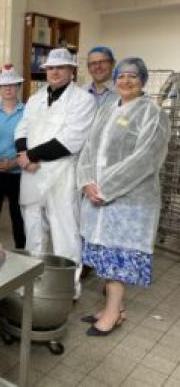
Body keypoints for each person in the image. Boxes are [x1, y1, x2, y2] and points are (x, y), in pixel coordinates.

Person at [77, 57, 170, 336]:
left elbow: (145, 160)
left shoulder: (152, 113)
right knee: (105, 256)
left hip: (129, 201)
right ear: (114, 80)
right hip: (99, 199)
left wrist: (105, 188)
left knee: (118, 258)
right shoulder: (106, 109)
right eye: (121, 76)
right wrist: (86, 182)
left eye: (133, 76)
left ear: (142, 81)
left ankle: (112, 314)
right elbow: (89, 148)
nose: (126, 81)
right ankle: (113, 307)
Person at [15, 48, 96, 299]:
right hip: (32, 171)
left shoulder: (83, 100)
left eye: (61, 67)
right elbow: (22, 128)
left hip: (61, 172)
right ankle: (33, 281)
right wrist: (23, 155)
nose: (55, 72)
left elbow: (71, 139)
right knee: (33, 226)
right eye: (51, 68)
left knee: (65, 231)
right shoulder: (35, 98)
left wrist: (31, 155)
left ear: (72, 71)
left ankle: (67, 289)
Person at [0, 68, 26, 248]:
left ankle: (21, 252)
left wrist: (15, 162)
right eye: (4, 86)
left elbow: (33, 140)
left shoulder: (28, 111)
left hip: (19, 172)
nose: (8, 89)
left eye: (12, 85)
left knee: (19, 215)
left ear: (18, 87)